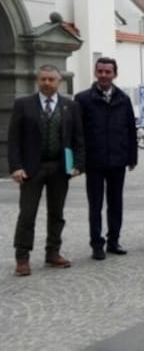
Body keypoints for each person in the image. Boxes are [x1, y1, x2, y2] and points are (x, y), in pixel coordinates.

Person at [9, 65, 85, 276]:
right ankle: (22, 257)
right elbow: (14, 139)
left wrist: (78, 164)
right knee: (27, 214)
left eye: (51, 79)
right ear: (37, 80)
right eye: (43, 79)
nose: (47, 83)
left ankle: (53, 252)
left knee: (57, 213)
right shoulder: (23, 105)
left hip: (59, 168)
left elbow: (78, 138)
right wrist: (16, 167)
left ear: (59, 82)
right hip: (32, 168)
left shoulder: (70, 106)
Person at [75, 57, 137, 261]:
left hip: (118, 159)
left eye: (107, 72)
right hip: (94, 161)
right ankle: (96, 244)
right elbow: (78, 133)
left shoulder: (123, 98)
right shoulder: (83, 99)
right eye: (100, 71)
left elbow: (130, 130)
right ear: (95, 72)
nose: (103, 75)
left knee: (116, 203)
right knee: (95, 205)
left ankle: (113, 241)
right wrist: (79, 161)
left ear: (114, 74)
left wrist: (132, 157)